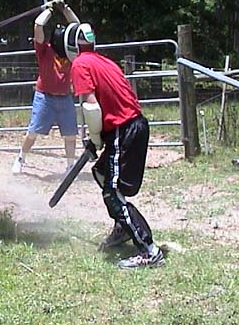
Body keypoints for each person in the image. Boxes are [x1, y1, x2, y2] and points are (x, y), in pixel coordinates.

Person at [56, 22, 164, 269]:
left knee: (112, 193)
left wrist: (95, 138)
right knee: (101, 172)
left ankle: (149, 250)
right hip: (132, 125)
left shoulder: (80, 64)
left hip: (122, 129)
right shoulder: (103, 61)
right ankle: (123, 227)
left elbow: (91, 106)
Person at [12, 0, 80, 175]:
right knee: (33, 132)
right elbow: (38, 25)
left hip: (65, 97)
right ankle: (20, 158)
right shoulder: (44, 50)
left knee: (70, 134)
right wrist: (49, 10)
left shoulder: (71, 53)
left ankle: (70, 166)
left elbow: (77, 26)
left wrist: (65, 9)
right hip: (44, 97)